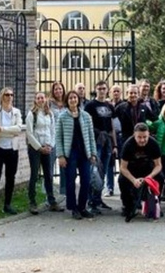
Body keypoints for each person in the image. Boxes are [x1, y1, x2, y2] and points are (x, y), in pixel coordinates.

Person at [55, 89, 98, 220]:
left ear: (78, 100)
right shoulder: (62, 116)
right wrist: (61, 155)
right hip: (70, 153)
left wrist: (93, 153)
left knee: (85, 180)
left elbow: (91, 136)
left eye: (75, 98)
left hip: (84, 152)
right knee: (70, 181)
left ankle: (82, 207)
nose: (73, 100)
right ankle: (73, 208)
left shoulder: (86, 116)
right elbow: (58, 137)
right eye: (70, 98)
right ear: (67, 101)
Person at [25, 92, 62, 214]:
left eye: (42, 98)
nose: (41, 100)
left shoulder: (49, 114)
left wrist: (50, 145)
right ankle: (32, 202)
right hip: (35, 149)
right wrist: (39, 147)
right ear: (35, 100)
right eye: (38, 98)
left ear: (45, 99)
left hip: (48, 148)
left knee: (49, 175)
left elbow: (53, 131)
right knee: (34, 175)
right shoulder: (32, 114)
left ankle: (51, 201)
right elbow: (29, 133)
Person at [0, 87, 23, 216]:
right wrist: (10, 131)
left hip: (12, 149)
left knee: (10, 177)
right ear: (2, 96)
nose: (9, 97)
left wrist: (2, 130)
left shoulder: (17, 112)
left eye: (11, 95)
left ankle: (7, 204)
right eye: (6, 95)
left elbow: (19, 128)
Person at [84, 80, 117, 214]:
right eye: (99, 88)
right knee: (94, 172)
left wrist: (115, 144)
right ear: (95, 90)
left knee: (103, 172)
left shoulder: (110, 106)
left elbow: (112, 126)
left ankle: (98, 199)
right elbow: (87, 125)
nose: (102, 91)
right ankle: (91, 201)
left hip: (108, 142)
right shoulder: (90, 106)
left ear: (107, 90)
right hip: (96, 142)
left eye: (104, 88)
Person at [119, 123, 163, 222]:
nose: (142, 140)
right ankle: (128, 206)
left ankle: (154, 205)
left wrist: (149, 177)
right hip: (131, 171)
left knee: (160, 178)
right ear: (134, 135)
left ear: (149, 135)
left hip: (148, 170)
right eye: (139, 137)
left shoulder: (154, 144)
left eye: (145, 137)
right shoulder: (128, 144)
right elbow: (123, 167)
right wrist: (133, 180)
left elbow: (158, 165)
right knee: (122, 180)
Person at [49, 81, 68, 195]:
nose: (58, 91)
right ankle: (49, 193)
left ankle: (63, 192)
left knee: (64, 166)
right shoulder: (49, 104)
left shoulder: (67, 103)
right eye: (56, 89)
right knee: (50, 166)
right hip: (52, 138)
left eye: (60, 89)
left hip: (65, 138)